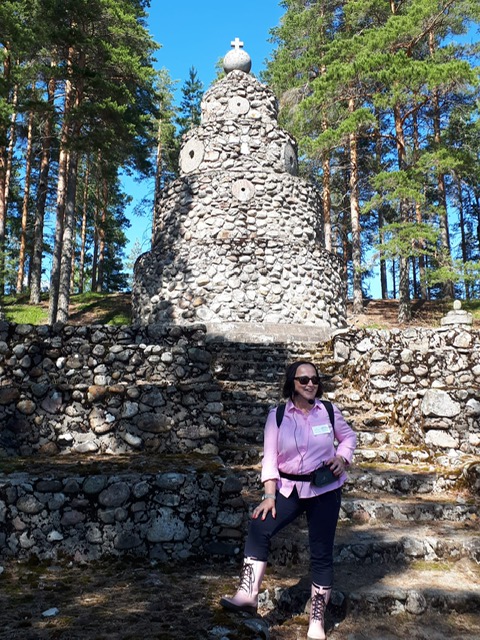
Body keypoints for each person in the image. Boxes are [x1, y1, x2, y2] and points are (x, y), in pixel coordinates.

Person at [220, 361, 357, 640]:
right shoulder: (278, 415)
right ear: (291, 383)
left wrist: (342, 458)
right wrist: (269, 496)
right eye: (303, 380)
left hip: (324, 490)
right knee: (259, 525)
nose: (310, 384)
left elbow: (348, 438)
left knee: (321, 551)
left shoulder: (329, 411)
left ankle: (317, 619)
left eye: (315, 379)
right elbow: (270, 458)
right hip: (288, 490)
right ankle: (248, 594)